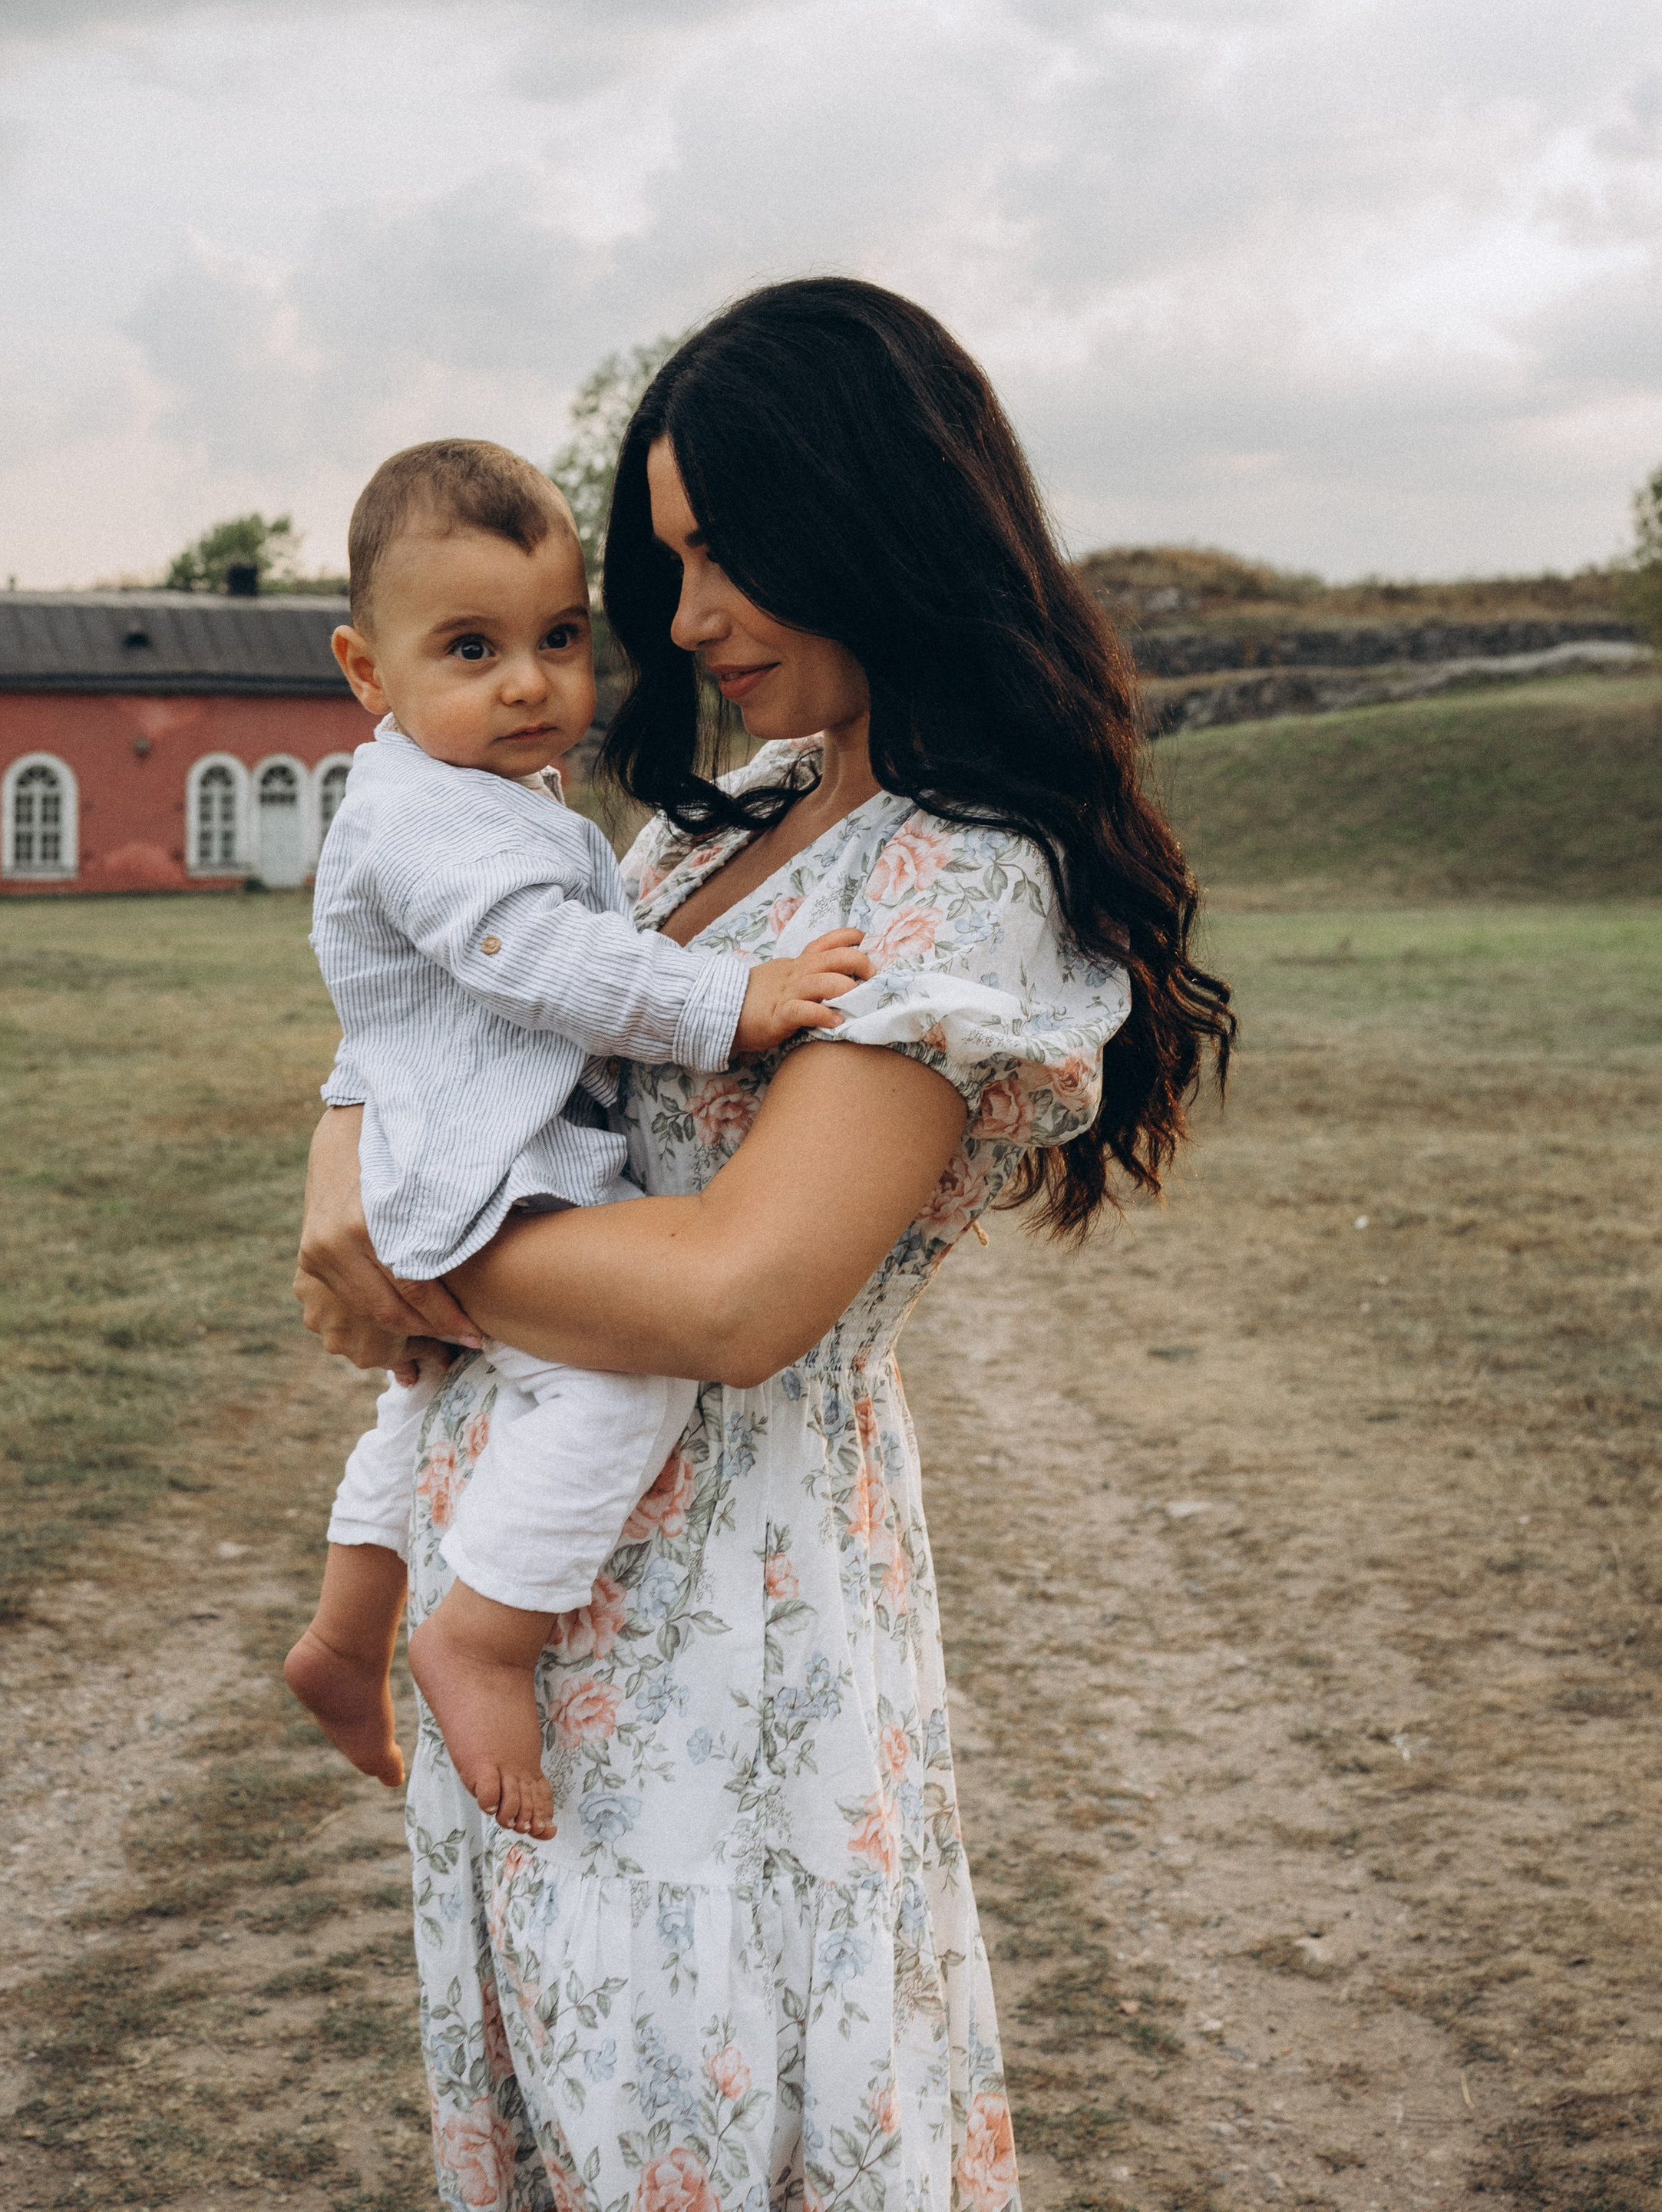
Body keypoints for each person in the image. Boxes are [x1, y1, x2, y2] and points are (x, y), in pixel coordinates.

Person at [295, 279, 1234, 2212]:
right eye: (670, 562)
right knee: (573, 2088)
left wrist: (397, 1241)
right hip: (533, 1579)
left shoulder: (965, 880)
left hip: (725, 1620)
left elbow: (737, 1297)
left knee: (703, 2107)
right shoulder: (745, 809)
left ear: (874, 532)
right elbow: (465, 1004)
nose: (689, 621)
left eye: (731, 559)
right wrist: (340, 1155)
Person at [284, 437, 873, 1838]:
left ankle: (344, 1628)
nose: (529, 682)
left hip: (459, 1151)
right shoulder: (432, 816)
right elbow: (539, 959)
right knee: (617, 1389)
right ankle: (482, 1634)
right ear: (367, 673)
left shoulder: (479, 791)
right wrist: (733, 1003)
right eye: (472, 647)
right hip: (492, 1167)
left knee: (427, 1391)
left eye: (557, 637)